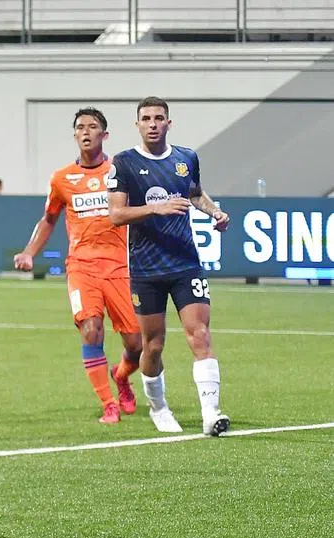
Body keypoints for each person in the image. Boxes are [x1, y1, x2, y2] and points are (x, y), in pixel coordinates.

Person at [107, 96, 230, 436]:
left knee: (200, 334)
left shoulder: (186, 157)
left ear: (168, 123)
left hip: (185, 263)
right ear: (137, 125)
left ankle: (211, 413)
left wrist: (215, 212)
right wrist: (154, 210)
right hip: (146, 268)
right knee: (154, 345)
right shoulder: (125, 163)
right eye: (146, 118)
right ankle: (159, 407)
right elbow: (116, 215)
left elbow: (194, 193)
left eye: (158, 118)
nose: (152, 123)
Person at [14, 107, 142, 424]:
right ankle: (108, 404)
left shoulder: (121, 172)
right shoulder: (62, 179)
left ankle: (122, 376)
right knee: (91, 329)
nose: (86, 131)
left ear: (105, 135)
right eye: (80, 127)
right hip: (82, 268)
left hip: (120, 268)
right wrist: (30, 251)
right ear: (75, 135)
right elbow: (48, 219)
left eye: (93, 126)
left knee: (137, 343)